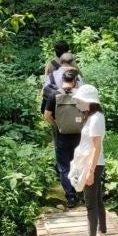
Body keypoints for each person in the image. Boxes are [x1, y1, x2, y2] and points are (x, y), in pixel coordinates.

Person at [70, 84, 107, 236]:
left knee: (91, 204)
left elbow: (96, 147)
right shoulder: (93, 117)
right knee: (98, 201)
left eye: (81, 100)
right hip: (93, 163)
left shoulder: (96, 118)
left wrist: (90, 171)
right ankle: (102, 235)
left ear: (90, 102)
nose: (78, 103)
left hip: (92, 164)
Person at [44, 68, 83, 207]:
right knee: (77, 164)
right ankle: (80, 191)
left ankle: (71, 196)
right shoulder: (81, 95)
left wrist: (57, 126)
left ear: (62, 81)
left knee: (63, 167)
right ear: (74, 81)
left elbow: (47, 116)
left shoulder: (54, 94)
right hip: (78, 136)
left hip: (61, 137)